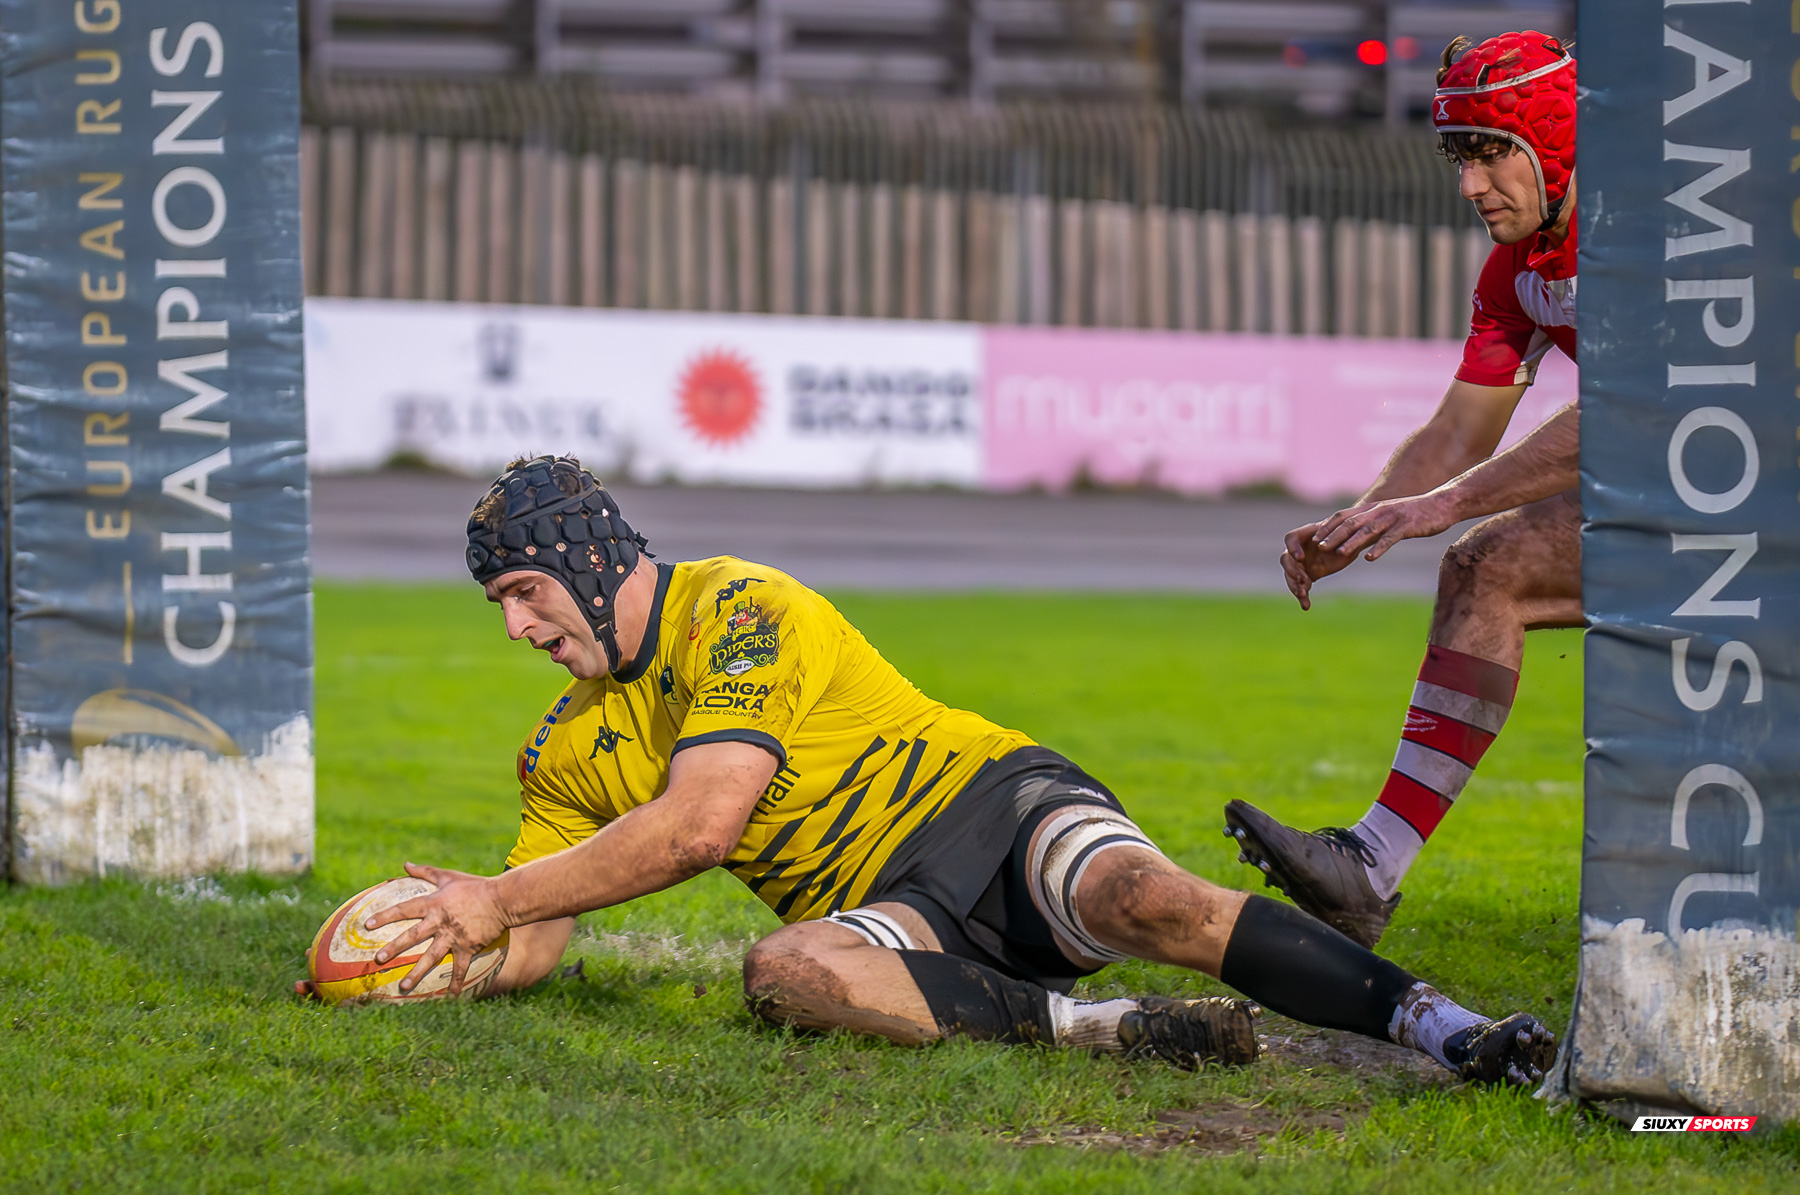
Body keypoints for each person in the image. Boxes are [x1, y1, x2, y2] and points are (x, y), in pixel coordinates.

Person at [364, 454, 1555, 1085]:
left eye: (522, 592)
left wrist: (497, 898)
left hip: (988, 801)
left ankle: (1443, 1026)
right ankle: (1112, 1032)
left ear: (583, 556)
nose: (516, 627)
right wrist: (433, 953)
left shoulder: (739, 607)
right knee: (786, 968)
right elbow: (530, 925)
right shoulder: (563, 749)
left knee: (1146, 899)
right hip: (899, 911)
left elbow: (699, 828)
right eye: (499, 604)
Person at [1228, 32, 1580, 950]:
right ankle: (1369, 868)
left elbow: (1632, 417)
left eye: (1492, 152)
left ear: (1556, 136)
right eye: (1460, 158)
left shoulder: (1647, 240)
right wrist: (1362, 518)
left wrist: (1443, 502)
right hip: (1715, 493)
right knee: (1489, 565)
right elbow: (1461, 432)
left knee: (1481, 547)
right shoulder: (1519, 271)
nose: (1470, 186)